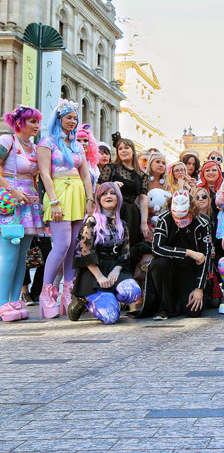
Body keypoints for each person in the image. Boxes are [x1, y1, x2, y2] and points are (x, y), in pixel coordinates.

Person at [37, 99, 94, 318]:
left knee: (74, 247)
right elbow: (44, 174)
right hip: (58, 193)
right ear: (58, 118)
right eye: (68, 117)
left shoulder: (77, 145)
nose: (72, 121)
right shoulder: (46, 143)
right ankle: (46, 292)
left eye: (75, 118)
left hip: (78, 194)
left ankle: (68, 293)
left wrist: (90, 198)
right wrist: (53, 200)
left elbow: (85, 174)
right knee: (61, 245)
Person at [66, 183, 141, 324]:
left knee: (132, 292)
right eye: (104, 194)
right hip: (93, 271)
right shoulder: (91, 221)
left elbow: (124, 253)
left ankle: (111, 295)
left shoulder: (123, 224)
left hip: (114, 268)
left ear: (118, 198)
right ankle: (82, 300)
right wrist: (100, 277)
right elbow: (85, 251)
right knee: (110, 317)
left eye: (112, 193)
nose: (108, 196)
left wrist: (116, 270)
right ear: (98, 199)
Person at [0, 106, 45, 315]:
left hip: (29, 204)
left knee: (22, 257)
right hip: (9, 203)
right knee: (9, 254)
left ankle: (14, 300)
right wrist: (11, 190)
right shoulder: (7, 141)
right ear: (20, 123)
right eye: (32, 122)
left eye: (38, 122)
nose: (37, 126)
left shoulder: (34, 147)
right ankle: (2, 303)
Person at [147, 191, 212, 320]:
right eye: (177, 216)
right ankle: (164, 307)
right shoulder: (164, 219)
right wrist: (188, 252)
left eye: (184, 216)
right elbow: (157, 248)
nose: (181, 220)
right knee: (159, 263)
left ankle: (184, 300)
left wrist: (199, 289)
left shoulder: (203, 222)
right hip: (168, 268)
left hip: (190, 270)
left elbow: (206, 255)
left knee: (194, 311)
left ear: (192, 210)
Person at [98, 138, 150, 247]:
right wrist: (111, 186)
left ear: (133, 151)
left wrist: (144, 222)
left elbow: (143, 199)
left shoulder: (142, 175)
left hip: (132, 214)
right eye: (120, 148)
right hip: (112, 211)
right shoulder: (110, 168)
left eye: (126, 148)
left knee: (130, 247)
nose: (123, 151)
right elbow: (98, 189)